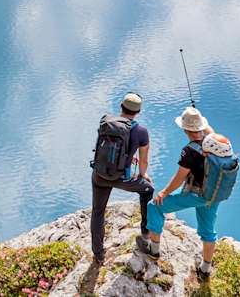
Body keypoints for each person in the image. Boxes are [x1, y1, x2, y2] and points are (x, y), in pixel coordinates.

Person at [137, 107, 229, 280]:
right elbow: (209, 130)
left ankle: (154, 251)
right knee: (208, 231)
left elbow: (179, 178)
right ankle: (205, 269)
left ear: (185, 129)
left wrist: (163, 193)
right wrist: (199, 117)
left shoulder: (189, 151)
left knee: (154, 207)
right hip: (214, 194)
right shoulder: (216, 142)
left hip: (197, 194)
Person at [89, 92, 154, 263]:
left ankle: (98, 253)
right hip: (121, 178)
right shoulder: (141, 131)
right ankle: (145, 235)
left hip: (100, 174)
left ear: (121, 106)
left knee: (98, 212)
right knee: (148, 190)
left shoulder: (106, 122)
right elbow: (144, 160)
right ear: (138, 111)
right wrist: (143, 175)